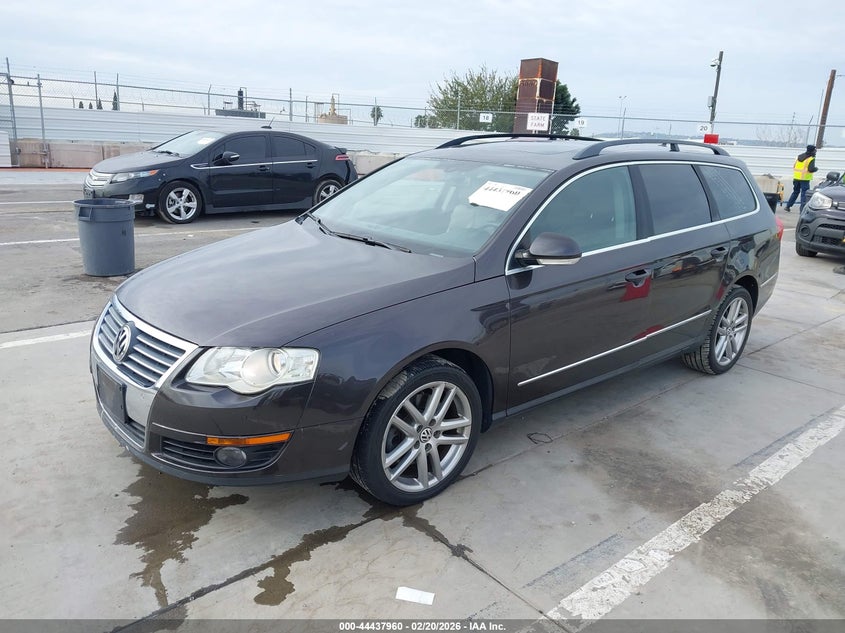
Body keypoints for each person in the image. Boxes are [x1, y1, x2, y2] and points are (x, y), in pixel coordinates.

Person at [783, 145, 818, 211]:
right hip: (804, 179)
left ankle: (788, 206)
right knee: (804, 194)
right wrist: (816, 169)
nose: (815, 152)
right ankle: (802, 210)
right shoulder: (811, 158)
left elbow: (795, 166)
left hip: (796, 178)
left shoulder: (799, 156)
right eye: (815, 150)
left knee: (795, 192)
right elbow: (811, 169)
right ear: (812, 151)